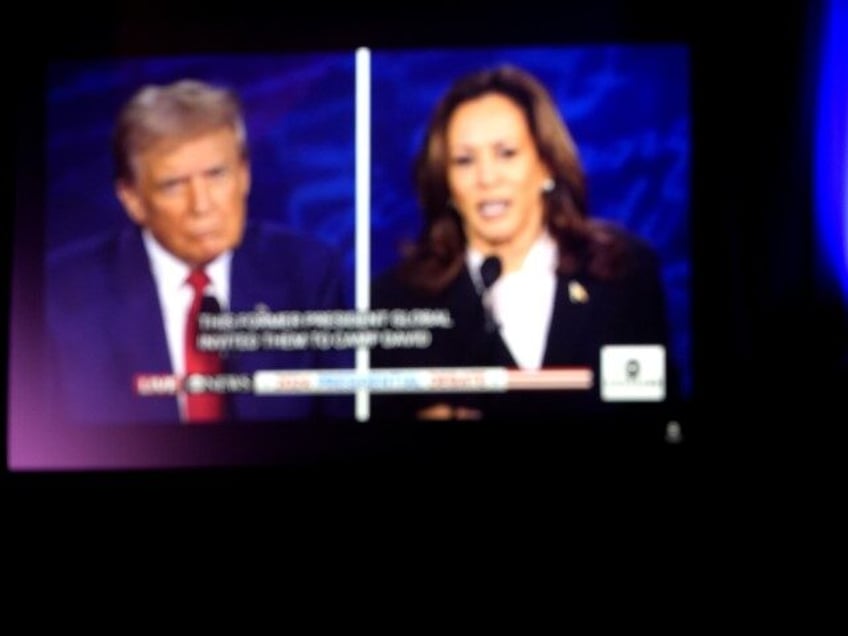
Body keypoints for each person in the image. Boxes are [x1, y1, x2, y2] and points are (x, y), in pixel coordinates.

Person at [370, 65, 673, 420]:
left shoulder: (623, 271)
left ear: (547, 164)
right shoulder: (397, 300)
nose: (487, 178)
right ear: (446, 181)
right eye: (464, 161)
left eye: (507, 153)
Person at [46, 79, 352, 425]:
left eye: (217, 175)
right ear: (133, 200)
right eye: (174, 185)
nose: (202, 206)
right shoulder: (62, 296)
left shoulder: (308, 273)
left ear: (244, 175)